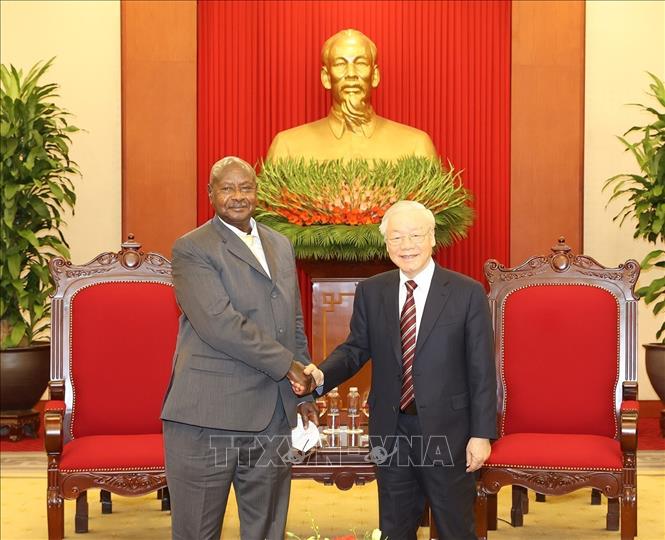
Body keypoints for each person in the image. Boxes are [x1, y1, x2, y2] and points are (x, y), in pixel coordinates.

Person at [299, 200, 496, 540]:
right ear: (386, 244)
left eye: (415, 235)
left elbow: (482, 369)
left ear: (432, 238)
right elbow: (356, 348)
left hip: (449, 432)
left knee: (455, 528)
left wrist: (481, 434)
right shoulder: (373, 291)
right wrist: (320, 375)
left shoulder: (467, 293)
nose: (407, 245)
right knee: (395, 526)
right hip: (391, 428)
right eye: (397, 238)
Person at [161, 156, 318, 540]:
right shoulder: (192, 248)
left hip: (272, 416)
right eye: (227, 188)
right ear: (211, 194)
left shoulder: (280, 244)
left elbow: (291, 321)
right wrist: (288, 366)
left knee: (266, 530)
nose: (237, 196)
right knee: (198, 530)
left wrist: (304, 385)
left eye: (245, 187)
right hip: (208, 415)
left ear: (256, 192)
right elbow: (221, 324)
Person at [266, 29, 437, 162]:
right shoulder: (287, 146)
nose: (351, 74)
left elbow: (438, 207)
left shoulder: (416, 146)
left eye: (361, 63)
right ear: (326, 77)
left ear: (375, 76)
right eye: (340, 64)